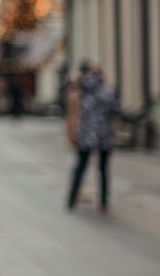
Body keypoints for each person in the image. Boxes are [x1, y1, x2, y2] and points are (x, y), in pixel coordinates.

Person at [66, 61, 119, 212]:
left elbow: (73, 108)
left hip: (85, 135)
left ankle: (71, 198)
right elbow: (116, 111)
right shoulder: (107, 92)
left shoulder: (82, 90)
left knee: (80, 167)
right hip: (103, 136)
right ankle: (103, 202)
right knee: (103, 169)